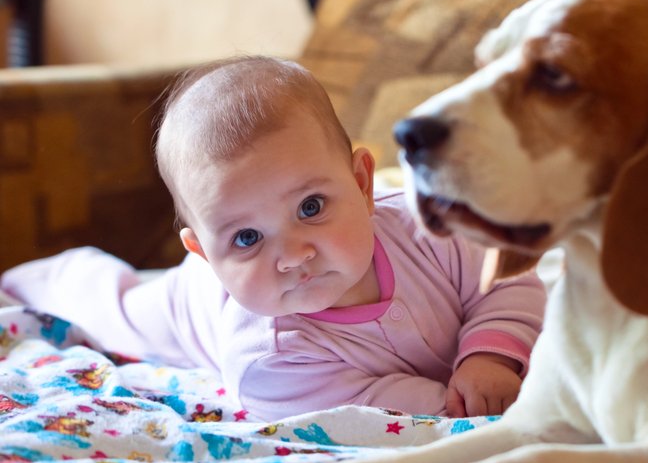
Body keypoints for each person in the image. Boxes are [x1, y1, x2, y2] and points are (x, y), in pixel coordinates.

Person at [1, 56, 546, 420]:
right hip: (187, 309)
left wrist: (490, 358)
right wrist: (449, 400)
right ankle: (35, 279)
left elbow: (510, 281)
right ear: (206, 254)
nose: (293, 255)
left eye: (311, 207)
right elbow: (363, 408)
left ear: (361, 183)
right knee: (113, 305)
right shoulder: (267, 363)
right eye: (246, 238)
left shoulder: (431, 229)